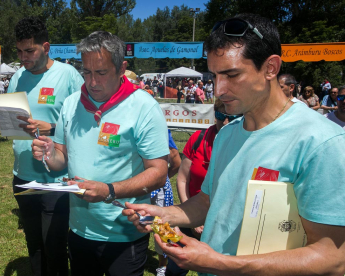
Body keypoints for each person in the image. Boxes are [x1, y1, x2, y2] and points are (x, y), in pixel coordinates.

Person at [124, 13, 345, 276]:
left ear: (271, 68)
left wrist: (219, 263)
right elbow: (209, 203)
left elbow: (333, 258)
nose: (219, 90)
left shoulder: (321, 142)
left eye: (231, 74)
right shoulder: (227, 134)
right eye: (215, 76)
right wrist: (164, 214)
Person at [32, 31, 169, 276]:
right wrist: (50, 154)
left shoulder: (144, 107)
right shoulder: (72, 104)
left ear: (121, 68)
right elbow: (61, 159)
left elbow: (159, 173)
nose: (92, 82)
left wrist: (109, 190)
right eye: (86, 72)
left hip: (125, 232)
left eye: (101, 72)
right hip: (79, 230)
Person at [0, 17, 83, 276]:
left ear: (46, 46)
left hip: (56, 178)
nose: (23, 57)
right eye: (19, 51)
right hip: (23, 175)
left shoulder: (68, 75)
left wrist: (48, 127)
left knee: (55, 246)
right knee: (34, 245)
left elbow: (83, 125)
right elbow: (14, 119)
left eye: (30, 51)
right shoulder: (18, 77)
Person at [167, 99, 240, 276]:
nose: (225, 122)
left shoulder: (241, 144)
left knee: (216, 268)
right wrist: (190, 214)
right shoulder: (198, 138)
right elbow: (183, 179)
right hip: (191, 211)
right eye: (220, 116)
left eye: (231, 117)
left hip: (222, 222)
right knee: (176, 266)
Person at [152, 130, 181, 276]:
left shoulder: (162, 133)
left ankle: (162, 266)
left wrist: (162, 178)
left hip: (160, 192)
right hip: (134, 189)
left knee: (162, 226)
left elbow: (176, 163)